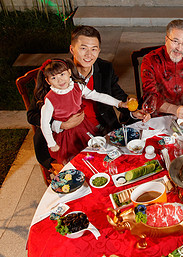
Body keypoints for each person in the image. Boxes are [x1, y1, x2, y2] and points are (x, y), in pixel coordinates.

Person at [27, 25, 149, 169]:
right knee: (84, 168)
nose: (89, 55)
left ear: (99, 50)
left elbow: (118, 96)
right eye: (83, 48)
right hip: (65, 138)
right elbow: (32, 115)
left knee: (133, 159)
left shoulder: (105, 68)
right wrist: (62, 125)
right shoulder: (57, 74)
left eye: (94, 49)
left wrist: (132, 110)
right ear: (72, 49)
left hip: (101, 129)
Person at [36, 58, 128, 164]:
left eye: (62, 74)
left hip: (83, 126)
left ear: (69, 72)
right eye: (53, 77)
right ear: (48, 81)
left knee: (93, 152)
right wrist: (51, 143)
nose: (60, 80)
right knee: (75, 159)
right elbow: (44, 124)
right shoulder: (50, 99)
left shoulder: (77, 87)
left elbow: (98, 96)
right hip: (66, 135)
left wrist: (119, 103)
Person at [140, 19, 183, 119]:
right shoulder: (150, 60)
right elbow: (150, 97)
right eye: (175, 41)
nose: (179, 48)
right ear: (166, 40)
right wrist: (174, 110)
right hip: (158, 115)